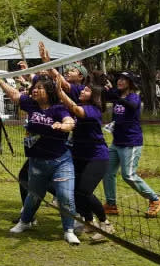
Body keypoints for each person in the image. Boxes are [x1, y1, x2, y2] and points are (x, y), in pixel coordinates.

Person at [0, 74, 80, 245]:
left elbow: (70, 122)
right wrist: (1, 81)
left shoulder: (58, 108)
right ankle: (24, 222)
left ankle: (68, 230)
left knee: (65, 196)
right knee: (33, 196)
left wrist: (63, 126)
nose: (35, 90)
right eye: (35, 87)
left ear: (49, 92)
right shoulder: (30, 104)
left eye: (40, 88)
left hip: (61, 161)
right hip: (37, 161)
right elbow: (15, 95)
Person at [56, 82, 114, 241]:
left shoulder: (93, 110)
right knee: (74, 192)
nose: (82, 90)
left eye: (87, 89)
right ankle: (89, 222)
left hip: (97, 158)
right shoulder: (82, 107)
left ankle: (105, 224)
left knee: (83, 192)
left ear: (95, 96)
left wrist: (60, 93)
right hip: (79, 156)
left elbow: (75, 109)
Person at [102, 72, 160, 218]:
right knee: (107, 172)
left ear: (130, 83)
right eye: (119, 78)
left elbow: (131, 105)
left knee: (128, 175)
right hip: (116, 142)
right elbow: (106, 96)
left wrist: (115, 95)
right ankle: (111, 204)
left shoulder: (133, 97)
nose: (120, 81)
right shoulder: (118, 96)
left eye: (124, 79)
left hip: (131, 143)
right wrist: (107, 89)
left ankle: (155, 200)